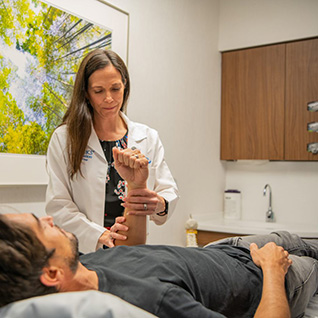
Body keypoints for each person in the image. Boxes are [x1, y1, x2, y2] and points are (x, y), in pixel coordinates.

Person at [3, 213, 318, 318]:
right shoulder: (149, 301)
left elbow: (137, 250)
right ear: (52, 273)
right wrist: (274, 272)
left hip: (227, 250)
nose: (48, 218)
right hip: (268, 280)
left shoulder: (81, 263)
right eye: (40, 226)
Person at [45, 48, 179, 253]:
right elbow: (59, 205)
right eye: (99, 91)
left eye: (115, 89)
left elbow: (167, 191)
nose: (109, 98)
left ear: (125, 86)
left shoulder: (147, 137)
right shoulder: (64, 139)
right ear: (87, 94)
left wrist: (158, 204)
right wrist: (102, 235)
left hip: (133, 249)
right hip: (85, 251)